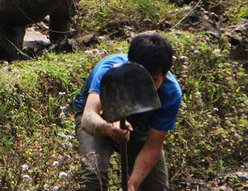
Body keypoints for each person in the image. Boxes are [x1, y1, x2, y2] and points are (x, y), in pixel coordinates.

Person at [73, 32, 182, 190]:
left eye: (153, 80)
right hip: (100, 120)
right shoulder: (109, 72)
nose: (145, 86)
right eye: (140, 78)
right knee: (93, 177)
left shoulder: (170, 93)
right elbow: (88, 118)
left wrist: (132, 184)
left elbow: (152, 147)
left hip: (138, 128)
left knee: (155, 187)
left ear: (165, 74)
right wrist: (109, 128)